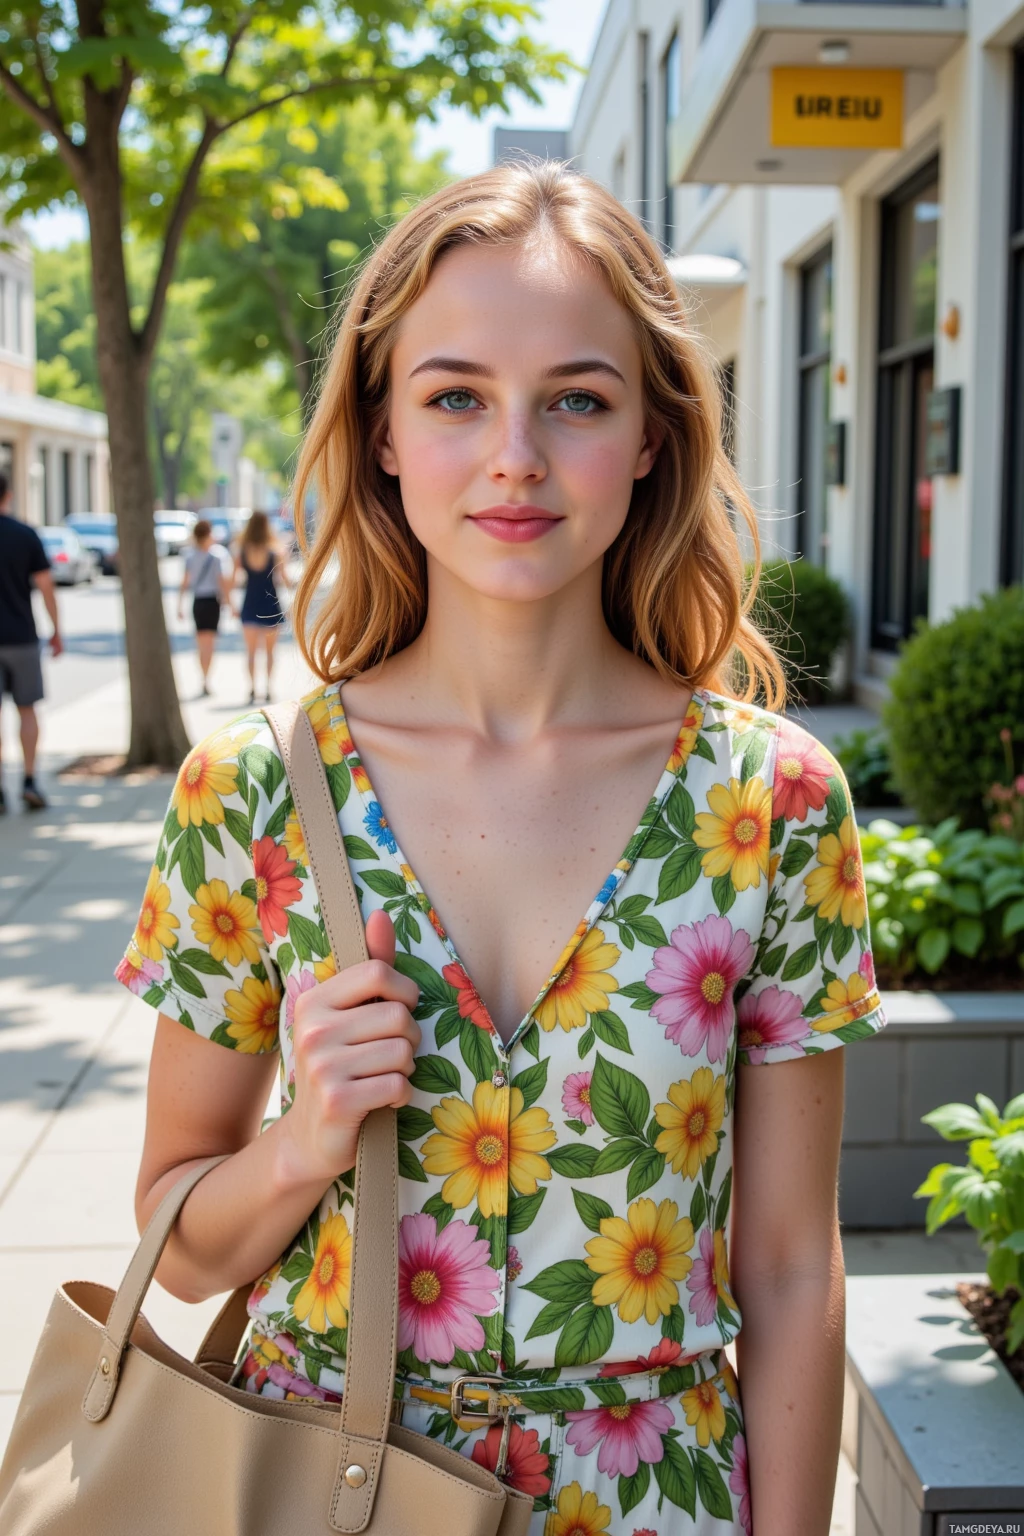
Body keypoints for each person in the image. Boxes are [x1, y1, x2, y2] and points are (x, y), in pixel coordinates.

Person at [118, 165, 888, 1535]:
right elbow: (177, 1252)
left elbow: (786, 1269)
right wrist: (304, 1141)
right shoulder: (247, 795)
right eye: (457, 395)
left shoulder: (773, 803)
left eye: (577, 400)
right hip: (328, 1490)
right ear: (386, 432)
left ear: (653, 434)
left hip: (663, 1503)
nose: (516, 455)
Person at [0, 472, 62, 811]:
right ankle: (28, 779)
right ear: (7, 494)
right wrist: (57, 629)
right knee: (27, 711)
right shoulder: (25, 535)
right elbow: (46, 586)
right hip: (22, 637)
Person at [234, 511, 290, 705]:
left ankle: (251, 689)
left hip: (250, 602)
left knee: (250, 652)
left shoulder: (241, 552)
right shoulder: (275, 552)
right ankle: (267, 688)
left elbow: (235, 580)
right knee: (269, 652)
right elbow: (285, 580)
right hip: (270, 603)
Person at [178, 518, 232, 697]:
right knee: (210, 643)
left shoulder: (189, 555)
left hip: (198, 601)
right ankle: (206, 678)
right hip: (212, 601)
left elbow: (185, 581)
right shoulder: (217, 555)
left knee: (201, 643)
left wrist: (179, 604)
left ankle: (203, 678)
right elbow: (222, 581)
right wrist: (228, 602)